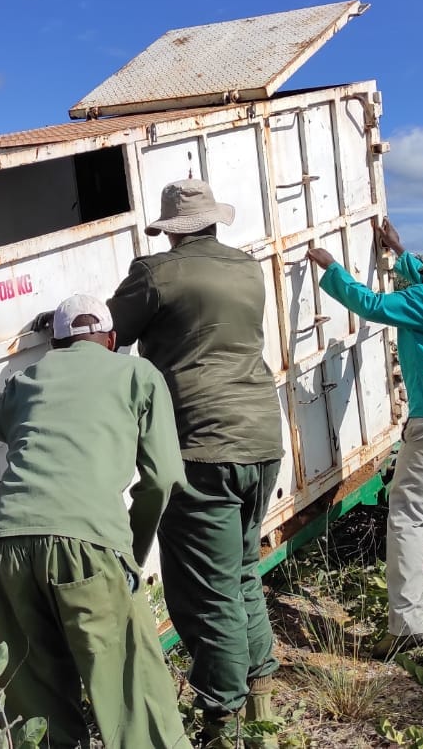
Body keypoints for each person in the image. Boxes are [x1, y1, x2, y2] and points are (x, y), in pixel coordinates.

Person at [0, 295, 188, 749]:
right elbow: (165, 478)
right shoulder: (138, 375)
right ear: (112, 340)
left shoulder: (24, 381)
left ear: (54, 344)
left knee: (37, 702)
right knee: (132, 692)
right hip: (89, 548)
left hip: (6, 546)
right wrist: (130, 549)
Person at [104, 179, 284, 748]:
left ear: (170, 228)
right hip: (261, 438)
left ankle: (221, 726)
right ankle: (263, 715)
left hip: (201, 446)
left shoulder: (155, 274)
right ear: (212, 221)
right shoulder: (248, 268)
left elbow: (105, 336)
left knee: (207, 593)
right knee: (242, 576)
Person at [308, 218, 423, 658]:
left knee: (410, 522)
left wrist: (332, 268)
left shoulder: (422, 300)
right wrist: (401, 252)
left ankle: (409, 626)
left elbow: (371, 304)